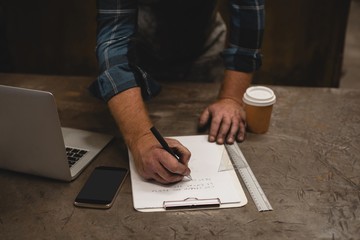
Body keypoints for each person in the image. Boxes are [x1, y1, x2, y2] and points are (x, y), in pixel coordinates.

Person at [90, 0, 264, 184]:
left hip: (205, 49)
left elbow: (248, 22)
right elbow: (113, 44)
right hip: (137, 55)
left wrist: (231, 98)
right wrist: (141, 137)